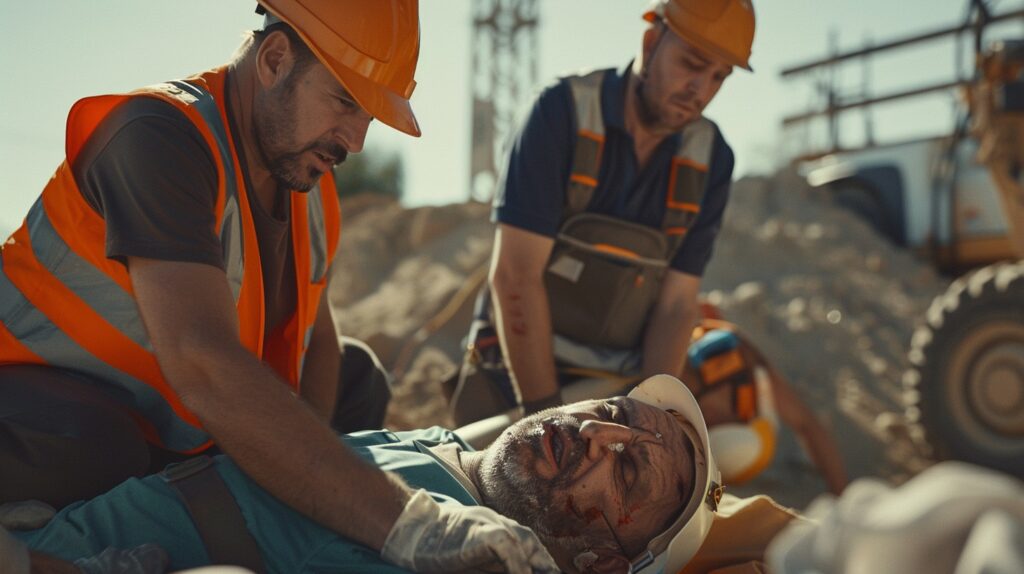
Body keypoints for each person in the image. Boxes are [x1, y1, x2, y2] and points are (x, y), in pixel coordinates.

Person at [0, 2, 556, 572]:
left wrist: (294, 490)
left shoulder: (308, 185)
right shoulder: (157, 137)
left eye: (368, 115)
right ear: (274, 59)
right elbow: (203, 363)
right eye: (344, 102)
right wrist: (410, 525)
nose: (356, 141)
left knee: (358, 378)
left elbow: (320, 348)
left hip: (170, 424)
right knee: (98, 443)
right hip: (32, 409)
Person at [2, 376, 803, 574]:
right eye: (620, 411)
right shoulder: (457, 450)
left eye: (626, 470)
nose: (596, 431)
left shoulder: (470, 554)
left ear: (600, 560)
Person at [449, 0, 756, 422]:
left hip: (619, 386)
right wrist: (545, 422)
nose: (700, 89)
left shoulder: (711, 159)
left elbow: (676, 305)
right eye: (692, 63)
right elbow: (516, 277)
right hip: (515, 379)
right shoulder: (561, 114)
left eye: (719, 76)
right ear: (651, 42)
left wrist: (653, 417)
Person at [683, 317, 848, 493]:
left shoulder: (739, 369)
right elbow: (807, 424)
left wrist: (842, 494)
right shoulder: (739, 361)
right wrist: (841, 494)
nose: (709, 418)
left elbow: (807, 425)